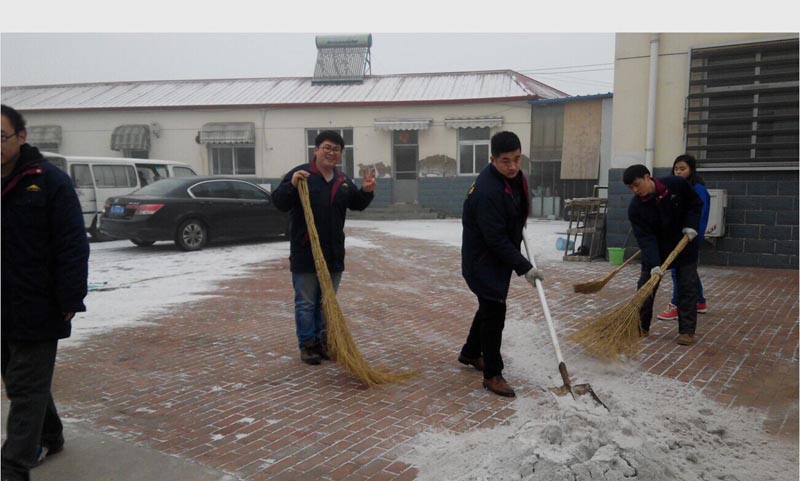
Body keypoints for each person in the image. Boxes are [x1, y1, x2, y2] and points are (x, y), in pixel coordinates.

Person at [1, 105, 90, 481]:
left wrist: (70, 297)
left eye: (0, 137)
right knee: (20, 380)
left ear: (22, 136)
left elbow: (72, 243)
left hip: (39, 303)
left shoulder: (49, 181)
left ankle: (12, 468)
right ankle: (50, 434)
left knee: (24, 390)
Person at [272, 130, 376, 365]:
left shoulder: (343, 181)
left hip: (333, 253)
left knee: (326, 301)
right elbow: (279, 202)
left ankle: (324, 343)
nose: (331, 152)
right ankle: (308, 345)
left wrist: (367, 192)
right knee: (306, 302)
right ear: (316, 150)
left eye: (336, 149)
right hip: (306, 251)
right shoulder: (302, 174)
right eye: (327, 147)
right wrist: (291, 185)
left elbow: (356, 204)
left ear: (340, 154)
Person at [459, 131, 543, 398]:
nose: (513, 166)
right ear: (492, 159)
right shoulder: (487, 191)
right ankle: (493, 374)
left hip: (498, 258)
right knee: (495, 311)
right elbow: (494, 238)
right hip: (483, 260)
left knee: (488, 304)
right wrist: (525, 267)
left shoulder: (513, 178)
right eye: (505, 161)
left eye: (517, 159)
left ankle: (471, 352)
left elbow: (515, 208)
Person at [623, 163, 703, 346]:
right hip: (656, 249)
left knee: (687, 287)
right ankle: (641, 327)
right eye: (630, 188)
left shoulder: (676, 184)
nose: (635, 190)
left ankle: (687, 331)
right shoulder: (635, 208)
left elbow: (695, 204)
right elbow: (645, 238)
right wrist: (654, 264)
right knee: (645, 288)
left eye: (637, 185)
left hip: (684, 244)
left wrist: (691, 224)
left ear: (647, 177)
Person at [657, 154, 711, 321]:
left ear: (691, 170)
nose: (678, 172)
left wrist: (691, 235)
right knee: (688, 270)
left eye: (683, 169)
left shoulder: (698, 190)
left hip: (690, 236)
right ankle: (700, 302)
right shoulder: (674, 188)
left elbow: (699, 215)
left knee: (678, 271)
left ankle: (676, 305)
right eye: (676, 169)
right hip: (676, 234)